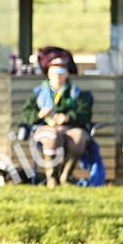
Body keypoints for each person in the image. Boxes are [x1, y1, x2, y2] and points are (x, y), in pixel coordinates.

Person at [20, 58, 93, 187]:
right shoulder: (39, 92)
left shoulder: (74, 92)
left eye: (61, 72)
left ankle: (65, 177)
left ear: (67, 74)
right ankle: (51, 178)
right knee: (52, 136)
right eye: (54, 72)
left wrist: (68, 117)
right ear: (48, 74)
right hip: (45, 127)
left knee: (78, 138)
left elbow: (85, 114)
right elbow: (25, 114)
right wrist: (39, 115)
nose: (57, 75)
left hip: (70, 127)